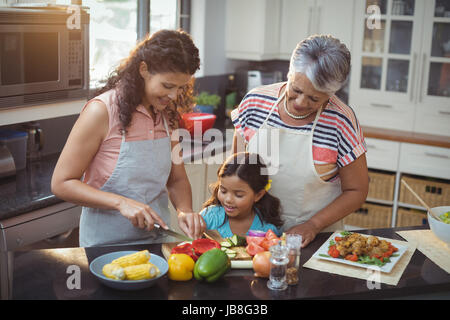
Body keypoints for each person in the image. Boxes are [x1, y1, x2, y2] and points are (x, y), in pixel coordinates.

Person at [51, 29, 205, 246]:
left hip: (156, 243)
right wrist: (121, 203)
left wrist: (185, 210)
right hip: (104, 246)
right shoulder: (102, 111)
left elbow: (176, 178)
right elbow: (61, 183)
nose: (173, 96)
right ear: (144, 69)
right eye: (167, 86)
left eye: (181, 88)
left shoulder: (167, 115)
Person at [231, 34, 369, 247]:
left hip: (316, 241)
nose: (301, 103)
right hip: (255, 236)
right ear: (290, 72)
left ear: (331, 93)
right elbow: (236, 172)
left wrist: (313, 225)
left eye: (315, 98)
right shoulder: (255, 103)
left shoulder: (341, 121)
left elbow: (357, 190)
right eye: (295, 90)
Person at [200, 152, 283, 238]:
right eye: (223, 191)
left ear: (258, 195)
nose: (228, 199)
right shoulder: (209, 218)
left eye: (238, 195)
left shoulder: (268, 230)